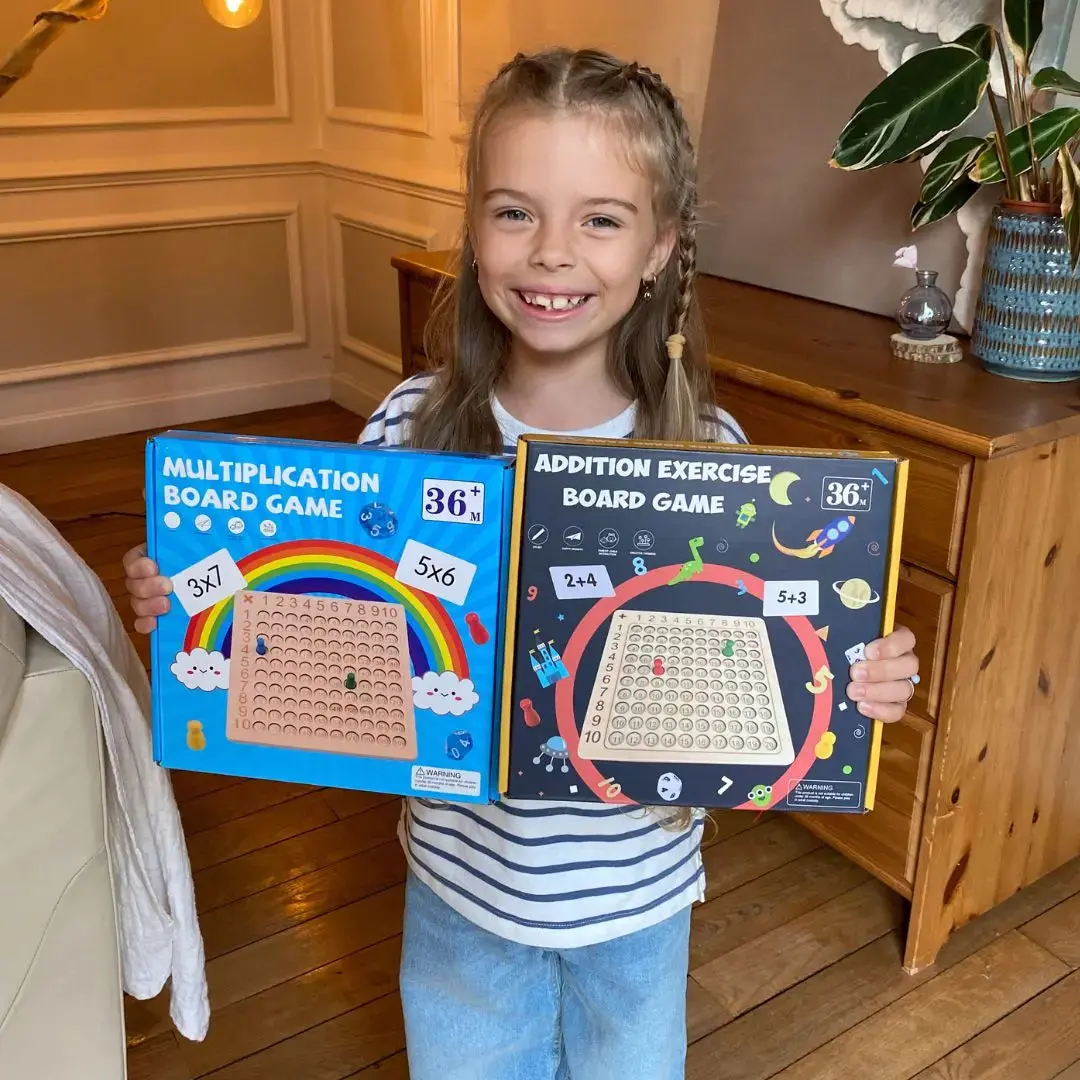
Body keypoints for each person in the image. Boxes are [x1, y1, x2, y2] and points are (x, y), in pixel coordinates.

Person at [123, 47, 920, 1080]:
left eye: (600, 220)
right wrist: (186, 597)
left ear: (660, 248)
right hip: (460, 890)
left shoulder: (710, 456)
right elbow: (319, 600)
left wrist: (864, 676)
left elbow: (781, 662)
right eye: (514, 212)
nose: (551, 253)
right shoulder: (408, 429)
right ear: (474, 229)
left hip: (637, 902)